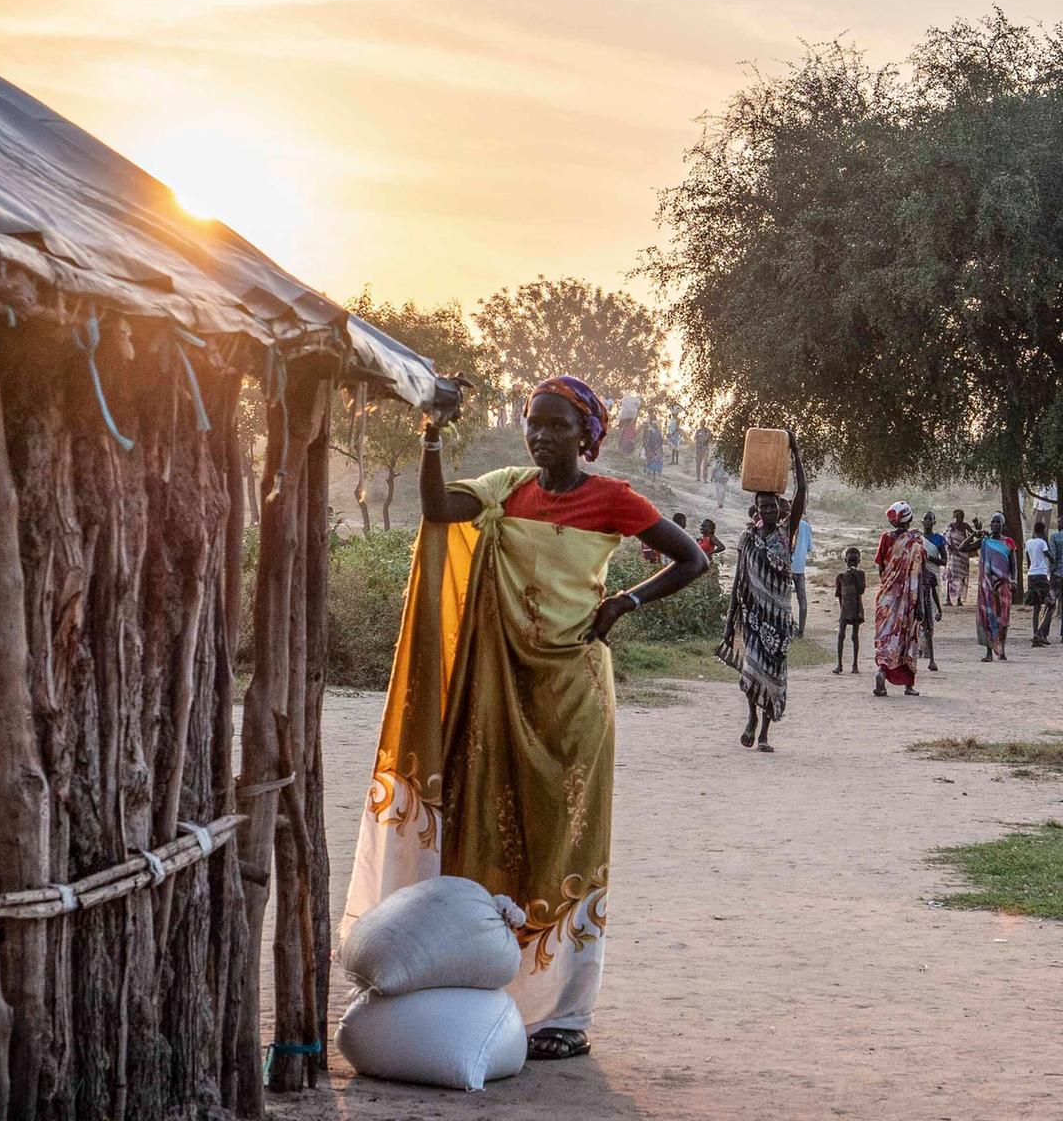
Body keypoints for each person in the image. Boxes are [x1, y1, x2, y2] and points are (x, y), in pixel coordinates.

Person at [342, 375, 707, 1061]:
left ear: (587, 435)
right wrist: (430, 438)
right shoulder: (508, 489)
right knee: (490, 821)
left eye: (555, 425)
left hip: (573, 695)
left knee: (566, 842)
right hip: (500, 686)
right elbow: (434, 507)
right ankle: (491, 986)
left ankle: (566, 1014)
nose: (539, 435)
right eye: (532, 422)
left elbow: (692, 559)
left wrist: (625, 601)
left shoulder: (615, 499)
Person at [717, 431, 807, 754]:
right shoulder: (747, 539)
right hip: (753, 616)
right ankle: (752, 718)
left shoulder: (786, 533)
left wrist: (795, 452)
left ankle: (766, 733)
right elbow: (739, 581)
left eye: (772, 506)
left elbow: (802, 493)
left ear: (779, 510)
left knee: (775, 677)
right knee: (751, 671)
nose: (768, 511)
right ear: (756, 510)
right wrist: (730, 624)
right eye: (763, 507)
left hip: (780, 619)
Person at [872, 502, 927, 697]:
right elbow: (919, 576)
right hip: (909, 601)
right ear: (910, 519)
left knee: (886, 638)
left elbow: (881, 569)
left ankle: (882, 671)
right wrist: (920, 603)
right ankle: (908, 685)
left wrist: (888, 590)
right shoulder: (916, 543)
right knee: (907, 638)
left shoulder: (886, 538)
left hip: (886, 599)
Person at [960, 514, 1015, 662]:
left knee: (1003, 618)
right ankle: (989, 652)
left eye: (998, 522)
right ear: (990, 525)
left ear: (1002, 525)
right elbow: (963, 548)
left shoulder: (1009, 542)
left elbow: (1013, 564)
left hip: (1003, 584)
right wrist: (973, 534)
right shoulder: (984, 541)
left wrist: (1014, 580)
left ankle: (1002, 650)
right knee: (988, 616)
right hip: (986, 585)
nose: (995, 525)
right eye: (993, 522)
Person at [919, 511, 947, 672]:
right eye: (926, 518)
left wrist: (928, 558)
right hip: (919, 574)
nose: (928, 521)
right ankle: (919, 647)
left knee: (930, 608)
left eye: (931, 519)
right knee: (918, 608)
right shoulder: (917, 539)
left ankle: (926, 648)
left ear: (934, 522)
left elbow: (944, 560)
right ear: (922, 522)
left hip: (933, 574)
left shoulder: (939, 539)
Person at [833, 547, 866, 674]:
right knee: (845, 635)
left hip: (854, 608)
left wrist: (854, 575)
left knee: (851, 636)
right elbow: (841, 595)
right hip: (850, 608)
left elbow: (861, 590)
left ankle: (852, 665)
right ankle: (844, 665)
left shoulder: (857, 575)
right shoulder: (841, 577)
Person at [1026, 521, 1055, 646]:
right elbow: (1051, 558)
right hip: (1042, 575)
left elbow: (1028, 560)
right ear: (1043, 531)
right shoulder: (1042, 542)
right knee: (1051, 604)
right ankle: (1040, 632)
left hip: (1031, 575)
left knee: (1036, 608)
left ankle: (1035, 636)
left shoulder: (1028, 542)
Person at [789, 513, 813, 637]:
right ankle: (801, 630)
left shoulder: (787, 524)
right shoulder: (806, 526)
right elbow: (809, 547)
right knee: (802, 600)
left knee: (786, 598)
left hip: (787, 566)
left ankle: (790, 624)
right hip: (800, 568)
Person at [944, 509, 971, 606]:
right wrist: (950, 548)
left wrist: (977, 528)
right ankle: (948, 599)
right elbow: (945, 538)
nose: (960, 517)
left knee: (962, 577)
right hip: (953, 555)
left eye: (961, 515)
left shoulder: (966, 526)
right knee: (950, 576)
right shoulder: (950, 526)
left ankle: (959, 599)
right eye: (958, 515)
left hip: (963, 555)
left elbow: (973, 536)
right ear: (954, 516)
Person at [1044, 517, 1063, 642]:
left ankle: (1044, 632)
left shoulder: (1055, 537)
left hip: (1057, 575)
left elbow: (1053, 557)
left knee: (1050, 604)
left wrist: (1051, 572)